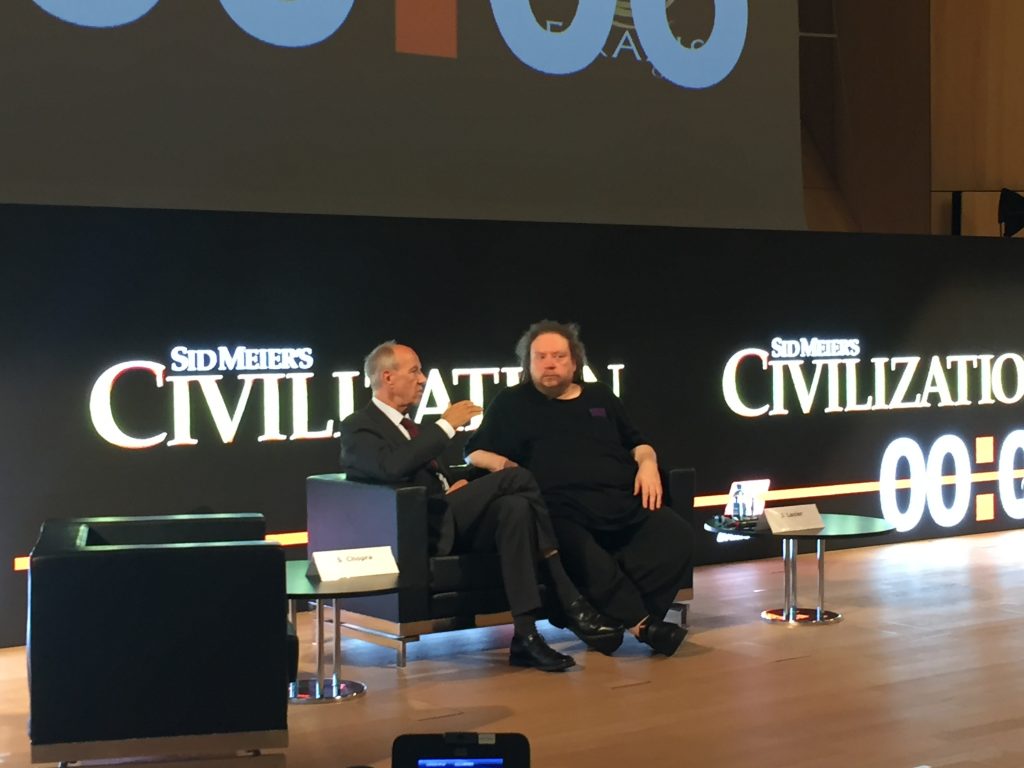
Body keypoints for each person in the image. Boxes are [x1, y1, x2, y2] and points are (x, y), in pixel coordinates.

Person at [339, 341, 622, 672]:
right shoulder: (359, 425)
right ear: (387, 377)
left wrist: (457, 486)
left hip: (449, 514)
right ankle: (567, 596)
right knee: (516, 478)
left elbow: (427, 473)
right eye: (415, 371)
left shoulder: (409, 425)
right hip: (423, 526)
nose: (423, 378)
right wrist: (446, 425)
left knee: (515, 508)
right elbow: (390, 468)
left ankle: (526, 636)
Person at [466, 320, 694, 656]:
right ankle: (643, 625)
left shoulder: (601, 396)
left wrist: (647, 464)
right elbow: (473, 450)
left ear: (574, 362)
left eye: (558, 355)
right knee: (579, 549)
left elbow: (638, 442)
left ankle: (609, 618)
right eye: (540, 356)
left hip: (620, 500)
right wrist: (503, 465)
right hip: (558, 509)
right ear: (528, 364)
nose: (549, 363)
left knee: (677, 536)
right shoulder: (511, 403)